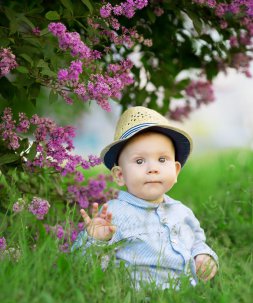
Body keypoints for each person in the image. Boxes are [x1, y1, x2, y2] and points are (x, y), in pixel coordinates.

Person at [72, 106, 218, 289]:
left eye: (162, 159)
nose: (153, 168)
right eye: (140, 161)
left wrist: (203, 256)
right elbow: (83, 267)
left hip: (187, 299)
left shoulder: (182, 212)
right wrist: (95, 240)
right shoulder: (113, 214)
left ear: (176, 170)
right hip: (141, 300)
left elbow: (197, 242)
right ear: (120, 175)